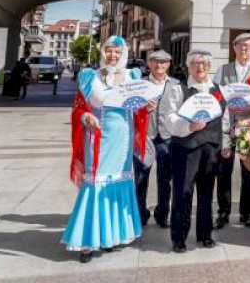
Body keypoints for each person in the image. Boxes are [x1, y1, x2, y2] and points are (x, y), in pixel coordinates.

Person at [61, 36, 148, 263]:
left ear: (124, 54)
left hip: (123, 140)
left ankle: (109, 237)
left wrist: (147, 105)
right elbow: (79, 108)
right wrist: (87, 116)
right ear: (103, 52)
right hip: (99, 138)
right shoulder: (90, 76)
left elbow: (138, 107)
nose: (113, 56)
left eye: (117, 52)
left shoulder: (133, 76)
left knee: (118, 183)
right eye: (109, 51)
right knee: (95, 184)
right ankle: (87, 242)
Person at [163, 50, 225, 252]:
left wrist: (226, 144)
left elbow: (225, 119)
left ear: (209, 67)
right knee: (182, 192)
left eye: (205, 65)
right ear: (189, 66)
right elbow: (168, 117)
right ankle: (179, 237)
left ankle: (205, 234)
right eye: (196, 64)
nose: (200, 68)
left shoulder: (218, 90)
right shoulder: (178, 89)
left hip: (211, 148)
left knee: (207, 193)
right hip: (185, 148)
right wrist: (188, 126)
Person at [213, 32, 250, 230]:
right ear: (234, 48)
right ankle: (223, 213)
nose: (244, 49)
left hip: (249, 130)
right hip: (226, 129)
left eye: (248, 46)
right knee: (224, 172)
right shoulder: (223, 70)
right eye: (240, 45)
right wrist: (224, 105)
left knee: (249, 173)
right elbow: (215, 96)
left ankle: (246, 213)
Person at [132, 49, 177, 229]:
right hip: (145, 136)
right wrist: (142, 109)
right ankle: (140, 214)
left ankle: (162, 214)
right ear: (149, 64)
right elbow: (130, 109)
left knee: (165, 179)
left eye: (164, 62)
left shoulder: (176, 84)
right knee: (141, 178)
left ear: (169, 64)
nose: (160, 65)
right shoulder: (139, 84)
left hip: (167, 137)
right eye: (156, 62)